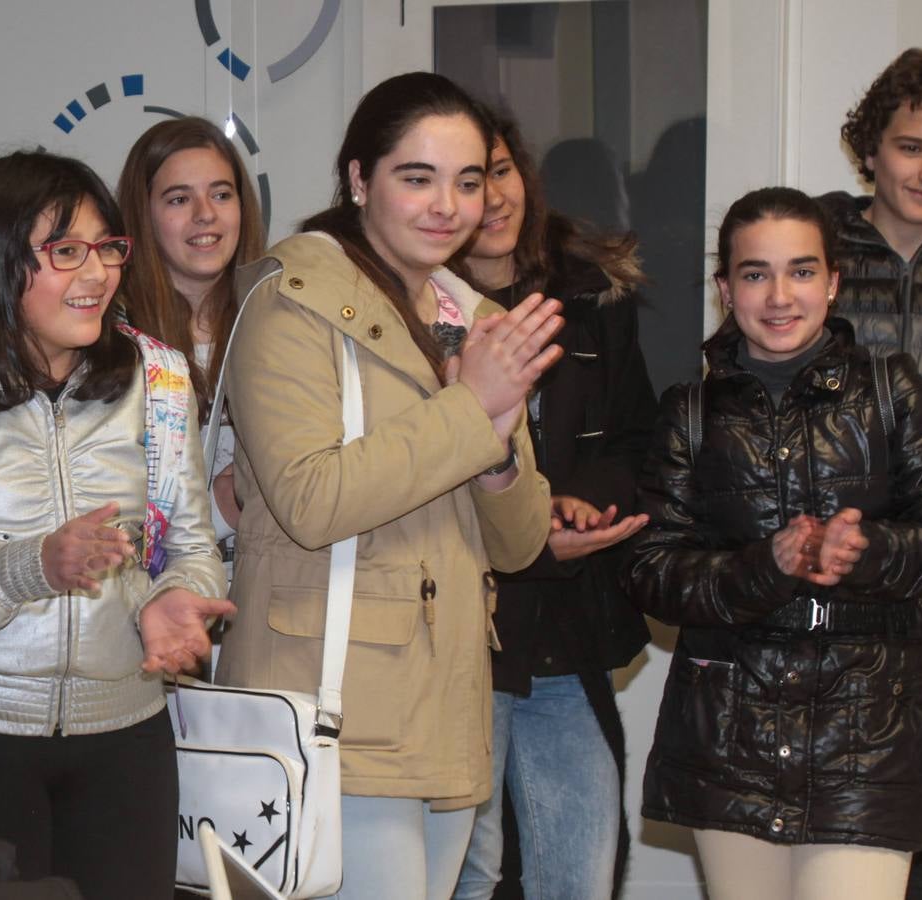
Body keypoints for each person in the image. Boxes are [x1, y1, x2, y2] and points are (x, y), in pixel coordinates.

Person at [211, 72, 559, 900]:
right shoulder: (291, 297)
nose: (448, 204)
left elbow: (518, 542)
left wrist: (499, 454)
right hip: (332, 701)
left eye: (468, 181)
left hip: (443, 701)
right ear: (359, 179)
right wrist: (471, 411)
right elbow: (309, 499)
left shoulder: (470, 317)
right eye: (417, 177)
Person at [0, 149, 231, 900]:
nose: (96, 273)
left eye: (107, 248)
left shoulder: (156, 376)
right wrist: (34, 564)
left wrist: (173, 597)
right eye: (65, 252)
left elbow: (193, 544)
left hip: (126, 734)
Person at [628, 187, 922, 900]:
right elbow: (651, 573)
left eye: (800, 270)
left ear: (832, 283)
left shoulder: (895, 391)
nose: (779, 295)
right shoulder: (688, 414)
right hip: (730, 730)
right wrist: (767, 566)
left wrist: (871, 552)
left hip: (869, 728)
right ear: (724, 289)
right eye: (755, 274)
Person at [449, 109, 656, 900]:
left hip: (567, 623)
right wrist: (526, 531)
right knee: (471, 871)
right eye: (468, 180)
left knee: (586, 862)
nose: (490, 196)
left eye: (498, 171)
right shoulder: (411, 311)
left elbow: (634, 437)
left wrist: (581, 504)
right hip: (466, 628)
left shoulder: (589, 294)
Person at [816, 48, 922, 900]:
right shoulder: (809, 242)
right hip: (829, 576)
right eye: (913, 146)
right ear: (869, 148)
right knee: (823, 816)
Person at [116, 115, 268, 562]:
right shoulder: (111, 344)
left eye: (221, 194)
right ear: (142, 216)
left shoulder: (282, 323)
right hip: (156, 612)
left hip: (267, 603)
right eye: (179, 198)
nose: (206, 214)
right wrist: (221, 508)